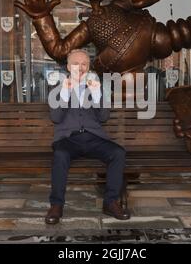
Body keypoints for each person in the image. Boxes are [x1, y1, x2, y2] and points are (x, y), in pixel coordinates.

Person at [46, 49, 130, 225]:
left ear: (89, 66)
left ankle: (110, 202)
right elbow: (56, 118)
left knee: (118, 153)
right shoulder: (57, 88)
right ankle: (56, 205)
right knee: (60, 155)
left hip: (93, 138)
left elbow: (103, 118)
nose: (80, 67)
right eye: (76, 63)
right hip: (68, 139)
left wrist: (98, 94)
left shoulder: (95, 85)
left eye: (84, 63)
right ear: (68, 67)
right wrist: (66, 93)